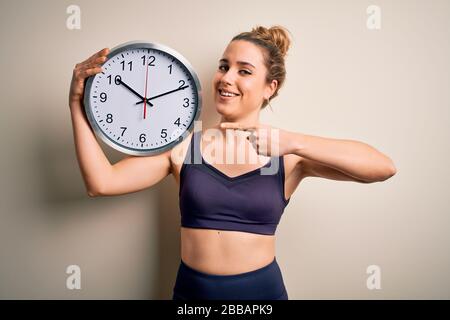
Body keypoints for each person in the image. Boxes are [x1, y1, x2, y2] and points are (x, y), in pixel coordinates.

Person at [69, 25, 397, 300]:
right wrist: (76, 102)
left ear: (271, 87)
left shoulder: (289, 156)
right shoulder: (184, 147)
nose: (227, 78)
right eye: (224, 66)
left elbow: (382, 168)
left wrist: (294, 142)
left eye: (244, 71)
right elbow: (101, 183)